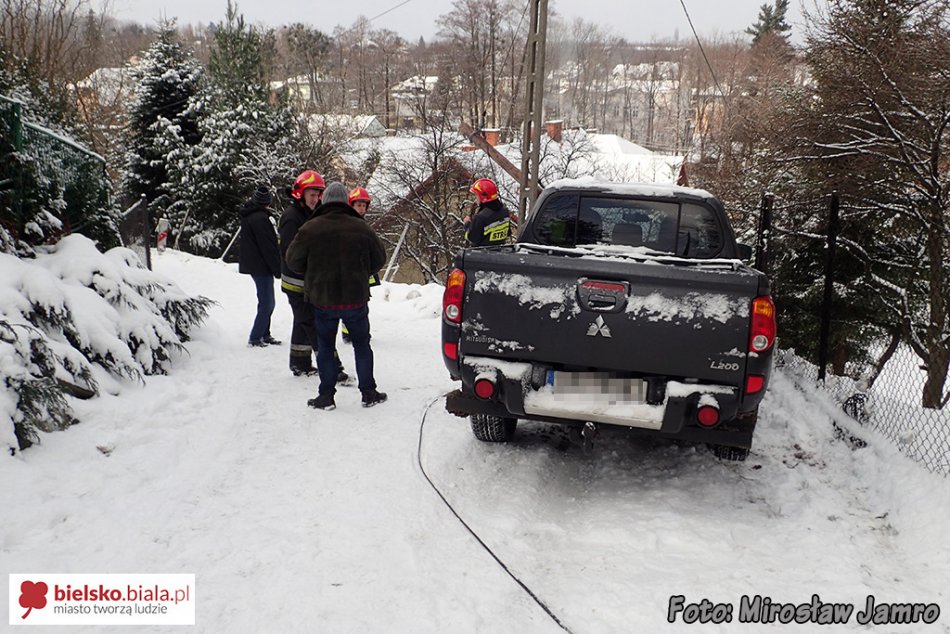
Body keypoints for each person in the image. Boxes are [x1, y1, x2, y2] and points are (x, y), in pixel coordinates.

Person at [286, 182, 387, 410]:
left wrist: (312, 272)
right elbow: (380, 258)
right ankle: (368, 392)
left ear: (324, 201)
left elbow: (292, 261)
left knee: (325, 345)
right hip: (356, 298)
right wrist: (362, 272)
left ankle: (326, 396)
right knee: (362, 345)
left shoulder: (311, 227)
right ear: (346, 202)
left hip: (323, 300)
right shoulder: (361, 227)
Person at [279, 170, 347, 381]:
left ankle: (299, 362)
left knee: (302, 322)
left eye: (319, 194)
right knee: (314, 325)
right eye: (312, 194)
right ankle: (333, 368)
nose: (316, 199)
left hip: (308, 282)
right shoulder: (292, 218)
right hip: (297, 283)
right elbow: (292, 255)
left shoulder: (309, 214)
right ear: (300, 193)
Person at [238, 185, 282, 348]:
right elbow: (268, 246)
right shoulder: (260, 219)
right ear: (268, 202)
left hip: (256, 264)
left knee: (264, 301)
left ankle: (264, 333)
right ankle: (256, 336)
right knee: (267, 303)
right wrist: (277, 268)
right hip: (261, 265)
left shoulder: (251, 216)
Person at [341, 186, 381, 344]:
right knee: (350, 305)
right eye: (359, 205)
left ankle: (359, 332)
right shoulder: (346, 223)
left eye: (364, 205)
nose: (362, 208)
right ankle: (349, 333)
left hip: (362, 273)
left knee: (362, 304)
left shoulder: (362, 223)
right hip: (350, 273)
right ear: (351, 205)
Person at [463, 178, 511, 246]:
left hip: (482, 254)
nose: (476, 198)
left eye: (476, 195)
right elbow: (507, 233)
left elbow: (472, 237)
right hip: (500, 252)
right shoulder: (504, 212)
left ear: (483, 197)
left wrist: (467, 224)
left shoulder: (481, 217)